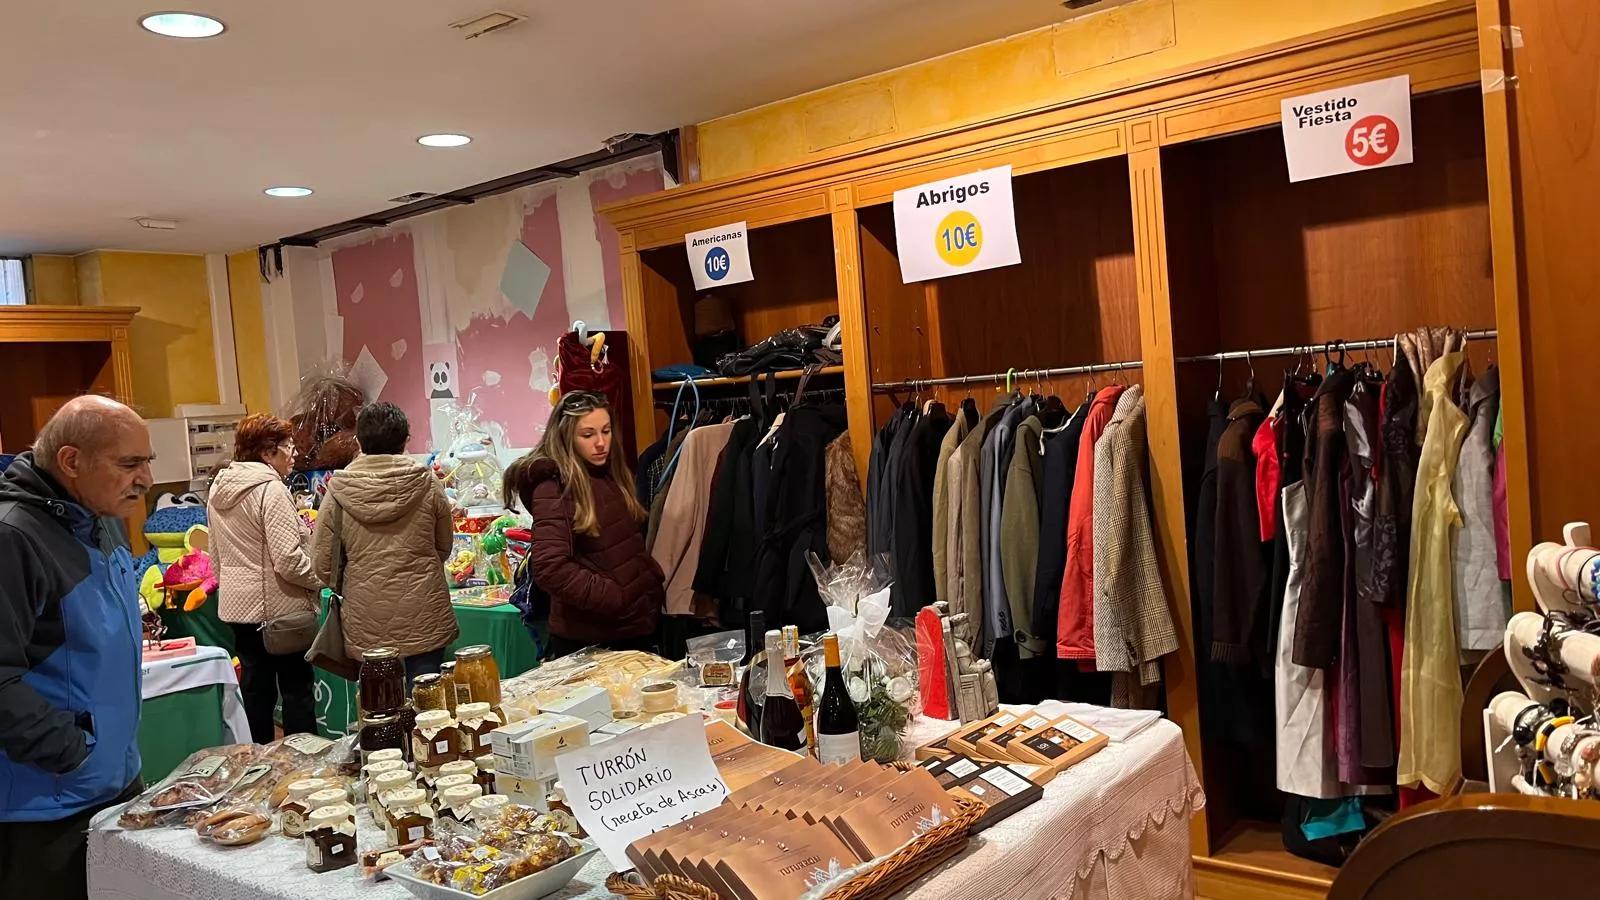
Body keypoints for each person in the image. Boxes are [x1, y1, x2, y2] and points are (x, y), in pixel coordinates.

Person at [0, 395, 152, 898]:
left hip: (113, 786)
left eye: (146, 462)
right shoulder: (13, 537)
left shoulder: (101, 513)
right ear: (71, 462)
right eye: (130, 464)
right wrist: (73, 752)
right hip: (48, 808)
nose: (146, 479)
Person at [506, 391, 663, 659]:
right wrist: (616, 597)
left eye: (606, 431)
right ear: (567, 436)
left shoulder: (606, 474)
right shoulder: (554, 486)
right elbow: (550, 567)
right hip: (591, 641)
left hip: (628, 630)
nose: (601, 443)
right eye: (588, 435)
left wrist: (648, 580)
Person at [313, 402, 456, 680]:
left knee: (378, 707)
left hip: (365, 615)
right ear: (405, 442)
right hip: (424, 609)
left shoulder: (338, 492)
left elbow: (323, 563)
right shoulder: (428, 483)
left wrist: (355, 580)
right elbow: (443, 546)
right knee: (427, 704)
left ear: (358, 441)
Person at [208, 414, 322, 742]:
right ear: (267, 452)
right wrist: (322, 578)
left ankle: (258, 768)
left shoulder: (219, 487)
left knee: (256, 694)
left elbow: (215, 555)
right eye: (288, 446)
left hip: (238, 611)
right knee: (297, 693)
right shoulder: (270, 490)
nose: (294, 453)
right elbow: (288, 560)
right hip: (281, 612)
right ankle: (304, 769)